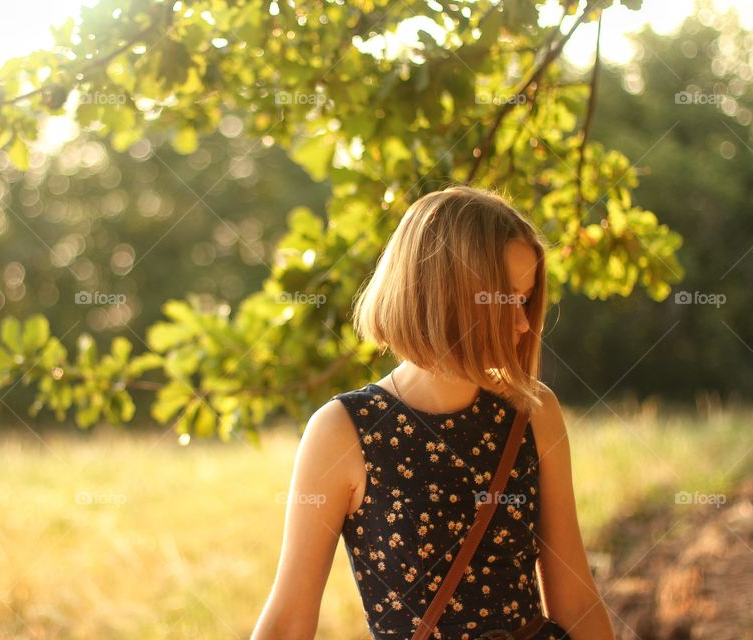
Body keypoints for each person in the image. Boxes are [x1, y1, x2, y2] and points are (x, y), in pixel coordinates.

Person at [252, 185, 616, 639]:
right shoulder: (344, 430)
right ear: (445, 296)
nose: (523, 323)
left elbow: (577, 599)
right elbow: (289, 621)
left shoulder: (533, 411)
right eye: (505, 300)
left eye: (525, 299)